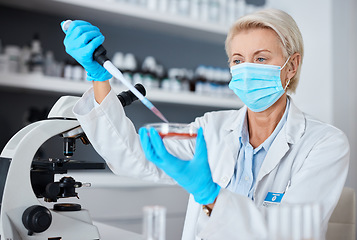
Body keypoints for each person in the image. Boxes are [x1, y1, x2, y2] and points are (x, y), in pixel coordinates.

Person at [62, 9, 349, 239]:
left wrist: (211, 197)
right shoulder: (212, 129)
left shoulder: (324, 144)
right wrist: (99, 77)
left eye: (260, 58)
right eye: (238, 60)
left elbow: (290, 234)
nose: (246, 69)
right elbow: (132, 157)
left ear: (292, 65)